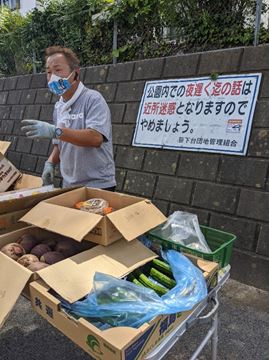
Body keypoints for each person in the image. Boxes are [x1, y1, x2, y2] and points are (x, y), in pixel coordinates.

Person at [21, 46, 116, 191]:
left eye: (58, 70)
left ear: (76, 73)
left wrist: (56, 131)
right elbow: (60, 144)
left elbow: (95, 138)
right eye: (48, 72)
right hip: (70, 184)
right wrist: (50, 163)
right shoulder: (59, 107)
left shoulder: (92, 99)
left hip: (98, 185)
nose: (52, 77)